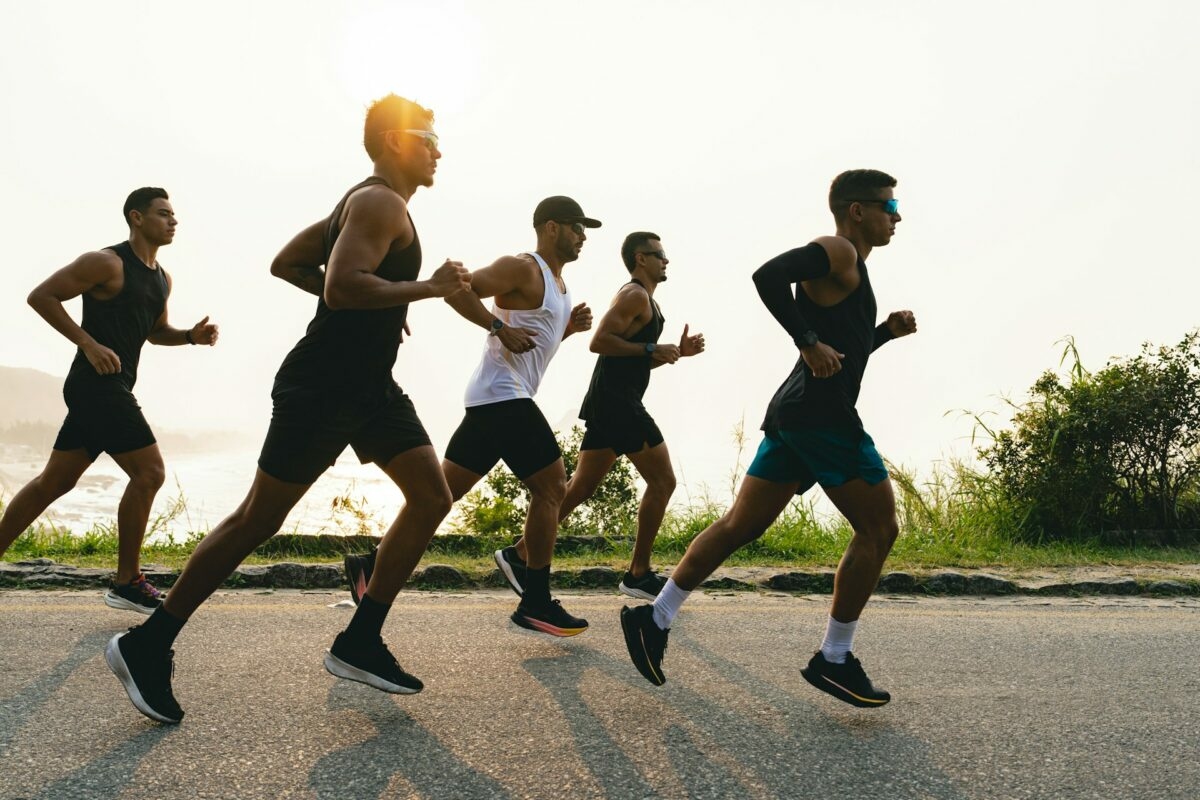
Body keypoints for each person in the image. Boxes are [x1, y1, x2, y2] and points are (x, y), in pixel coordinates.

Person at [106, 94, 471, 724]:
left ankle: (360, 639)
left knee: (433, 495)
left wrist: (384, 303)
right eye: (428, 134)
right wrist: (423, 290)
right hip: (325, 384)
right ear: (392, 141)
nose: (440, 146)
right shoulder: (379, 201)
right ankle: (147, 642)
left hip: (369, 387)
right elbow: (341, 283)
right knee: (256, 521)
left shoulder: (365, 202)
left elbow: (290, 264)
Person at [621, 169, 917, 708]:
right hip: (822, 420)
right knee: (879, 527)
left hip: (796, 414)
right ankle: (833, 658)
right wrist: (805, 340)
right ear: (856, 210)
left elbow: (841, 353)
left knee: (739, 525)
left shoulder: (851, 268)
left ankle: (655, 617)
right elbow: (766, 276)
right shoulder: (839, 251)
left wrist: (883, 335)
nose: (896, 214)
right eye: (888, 203)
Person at [345, 196, 598, 636]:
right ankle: (532, 594)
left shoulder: (559, 285)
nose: (583, 237)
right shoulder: (522, 267)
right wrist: (497, 326)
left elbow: (532, 340)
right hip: (503, 396)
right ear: (552, 227)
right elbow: (456, 290)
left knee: (439, 496)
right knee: (554, 487)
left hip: (492, 400)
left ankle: (369, 563)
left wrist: (567, 330)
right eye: (577, 227)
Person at [0, 187, 218, 614]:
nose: (173, 221)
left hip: (111, 388)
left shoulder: (161, 278)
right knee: (150, 472)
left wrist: (190, 337)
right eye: (163, 214)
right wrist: (87, 342)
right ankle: (126, 581)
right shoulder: (106, 263)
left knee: (55, 481)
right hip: (96, 387)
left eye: (175, 215)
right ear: (137, 218)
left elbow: (155, 332)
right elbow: (41, 296)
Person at [491, 232, 704, 601]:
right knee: (664, 481)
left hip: (611, 403)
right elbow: (600, 342)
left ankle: (520, 553)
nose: (666, 260)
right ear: (641, 258)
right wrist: (654, 346)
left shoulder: (647, 301)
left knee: (579, 488)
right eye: (659, 254)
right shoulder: (634, 295)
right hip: (619, 405)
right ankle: (638, 573)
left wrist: (675, 353)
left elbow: (630, 357)